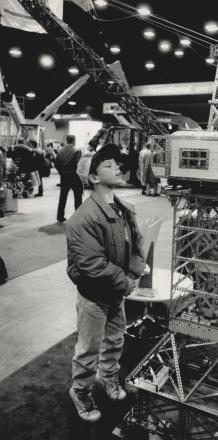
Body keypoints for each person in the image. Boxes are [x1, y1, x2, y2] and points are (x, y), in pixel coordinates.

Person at [66, 144, 145, 422]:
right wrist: (125, 282)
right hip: (94, 296)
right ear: (93, 178)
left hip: (117, 292)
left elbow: (138, 244)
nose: (118, 168)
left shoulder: (125, 209)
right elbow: (91, 264)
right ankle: (80, 392)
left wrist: (134, 274)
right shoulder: (82, 218)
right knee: (88, 349)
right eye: (109, 164)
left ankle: (108, 377)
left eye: (117, 164)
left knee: (114, 341)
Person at [55, 134, 83, 223]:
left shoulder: (60, 151)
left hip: (64, 177)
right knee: (78, 197)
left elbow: (56, 164)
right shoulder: (77, 150)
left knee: (63, 197)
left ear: (67, 140)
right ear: (74, 140)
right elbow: (78, 164)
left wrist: (61, 172)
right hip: (75, 177)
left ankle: (60, 216)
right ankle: (78, 217)